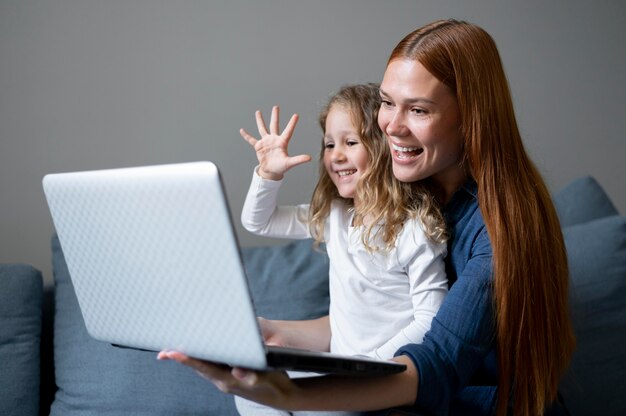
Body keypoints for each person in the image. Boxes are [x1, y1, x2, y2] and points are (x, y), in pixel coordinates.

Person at [158, 19, 576, 416]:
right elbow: (379, 312)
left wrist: (293, 393)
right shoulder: (411, 191)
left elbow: (438, 360)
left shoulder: (499, 228)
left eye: (419, 110)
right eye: (387, 103)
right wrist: (276, 335)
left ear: (472, 118)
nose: (391, 127)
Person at [235, 83, 449, 415]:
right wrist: (268, 173)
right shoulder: (334, 215)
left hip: (382, 379)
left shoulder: (415, 229)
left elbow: (430, 318)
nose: (336, 155)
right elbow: (259, 222)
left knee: (319, 404)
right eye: (329, 144)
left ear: (381, 148)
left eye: (350, 142)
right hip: (340, 368)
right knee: (250, 388)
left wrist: (369, 364)